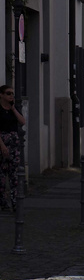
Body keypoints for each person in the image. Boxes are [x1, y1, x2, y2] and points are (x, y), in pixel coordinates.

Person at [0, 84, 26, 212]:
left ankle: (15, 202)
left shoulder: (13, 109)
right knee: (1, 175)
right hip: (2, 142)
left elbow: (22, 122)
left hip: (14, 144)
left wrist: (14, 108)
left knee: (14, 174)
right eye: (8, 93)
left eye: (12, 94)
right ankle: (3, 203)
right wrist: (2, 146)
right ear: (1, 95)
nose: (11, 96)